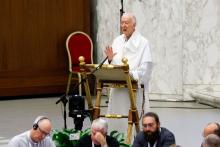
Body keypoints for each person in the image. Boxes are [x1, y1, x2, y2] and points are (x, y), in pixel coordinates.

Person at [104, 12, 153, 135]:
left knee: (133, 121)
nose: (123, 25)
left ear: (134, 25)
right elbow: (113, 63)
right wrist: (109, 59)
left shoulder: (143, 42)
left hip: (133, 89)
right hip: (117, 89)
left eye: (127, 22)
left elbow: (145, 68)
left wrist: (130, 74)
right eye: (122, 22)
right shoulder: (117, 40)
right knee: (116, 121)